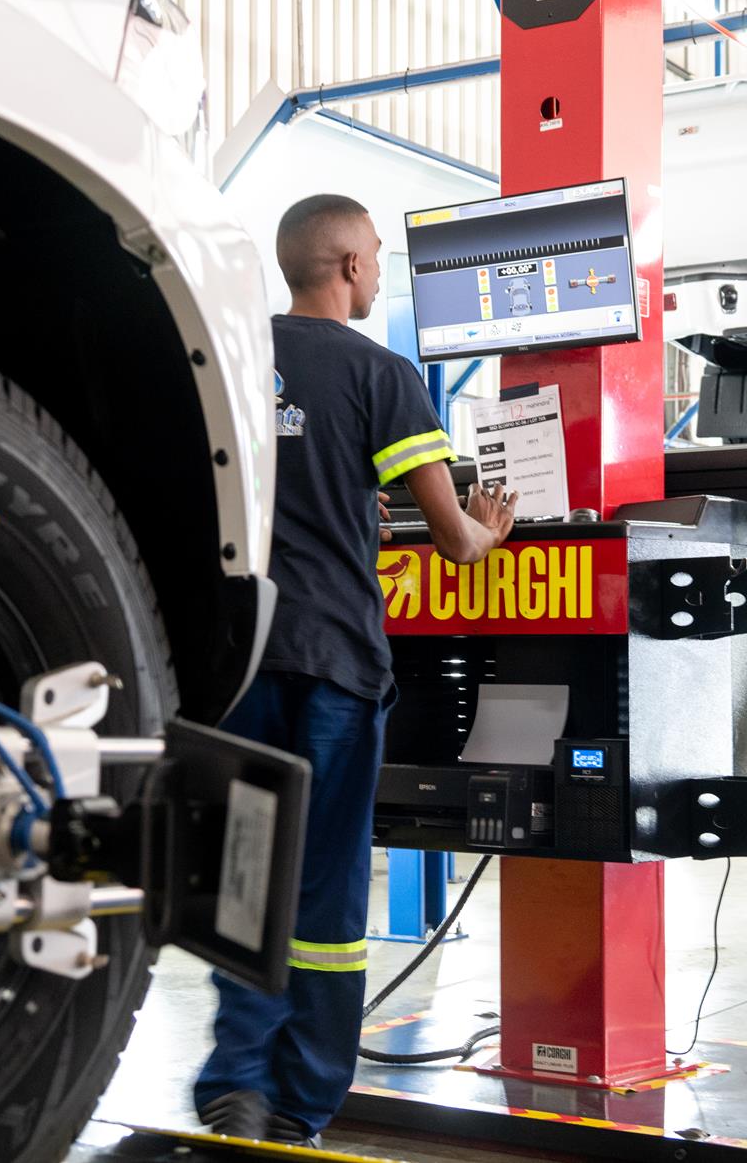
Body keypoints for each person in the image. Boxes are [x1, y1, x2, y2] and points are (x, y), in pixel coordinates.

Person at [194, 194, 519, 1144]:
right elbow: (454, 541)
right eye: (375, 256)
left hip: (239, 661)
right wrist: (487, 531)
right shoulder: (385, 375)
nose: (380, 272)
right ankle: (301, 1103)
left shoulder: (230, 356)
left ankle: (234, 1086)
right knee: (327, 895)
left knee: (248, 870)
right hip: (334, 659)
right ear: (342, 265)